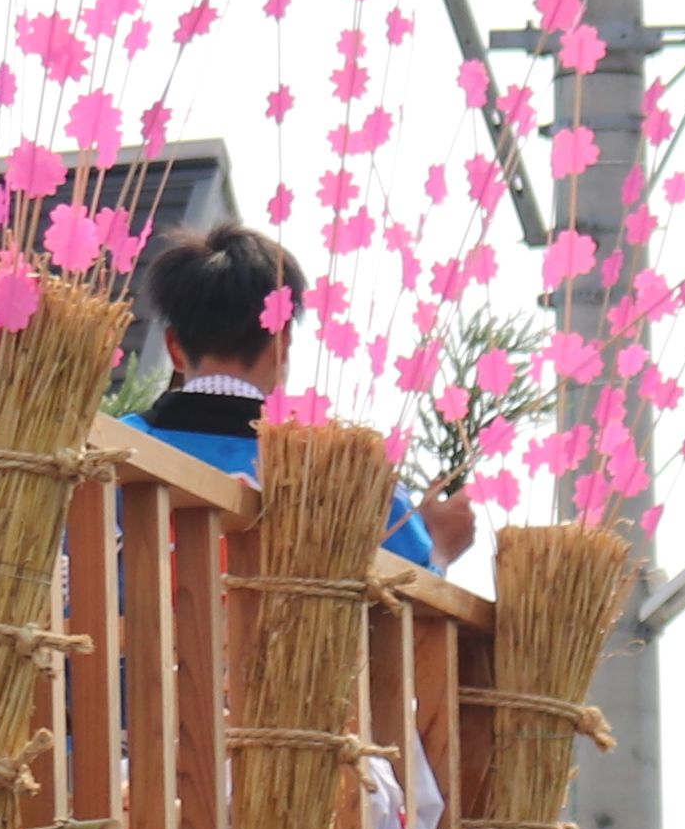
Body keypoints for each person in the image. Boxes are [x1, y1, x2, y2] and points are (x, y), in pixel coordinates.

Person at [121, 220, 468, 568]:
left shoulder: (113, 448)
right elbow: (410, 589)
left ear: (174, 348)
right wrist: (439, 548)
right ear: (281, 343)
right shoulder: (345, 469)